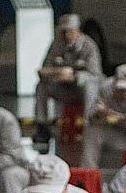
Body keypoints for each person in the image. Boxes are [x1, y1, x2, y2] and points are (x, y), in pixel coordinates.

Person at [32, 13, 103, 146]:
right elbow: (44, 68)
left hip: (83, 91)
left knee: (90, 85)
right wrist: (57, 73)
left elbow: (96, 75)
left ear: (78, 31)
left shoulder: (89, 46)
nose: (67, 35)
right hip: (63, 88)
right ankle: (42, 125)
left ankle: (88, 126)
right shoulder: (57, 45)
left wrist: (74, 76)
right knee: (41, 86)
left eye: (70, 31)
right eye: (64, 32)